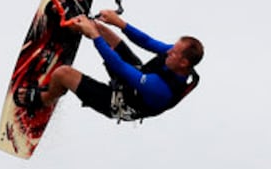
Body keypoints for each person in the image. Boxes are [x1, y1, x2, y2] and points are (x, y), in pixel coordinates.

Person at [33, 10, 203, 121]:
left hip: (119, 102)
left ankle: (46, 99)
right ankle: (73, 25)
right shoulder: (176, 57)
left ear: (183, 62)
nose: (169, 51)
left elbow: (119, 66)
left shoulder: (160, 89)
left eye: (174, 52)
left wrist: (94, 36)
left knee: (62, 74)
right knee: (100, 28)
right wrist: (119, 23)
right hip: (136, 78)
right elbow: (147, 41)